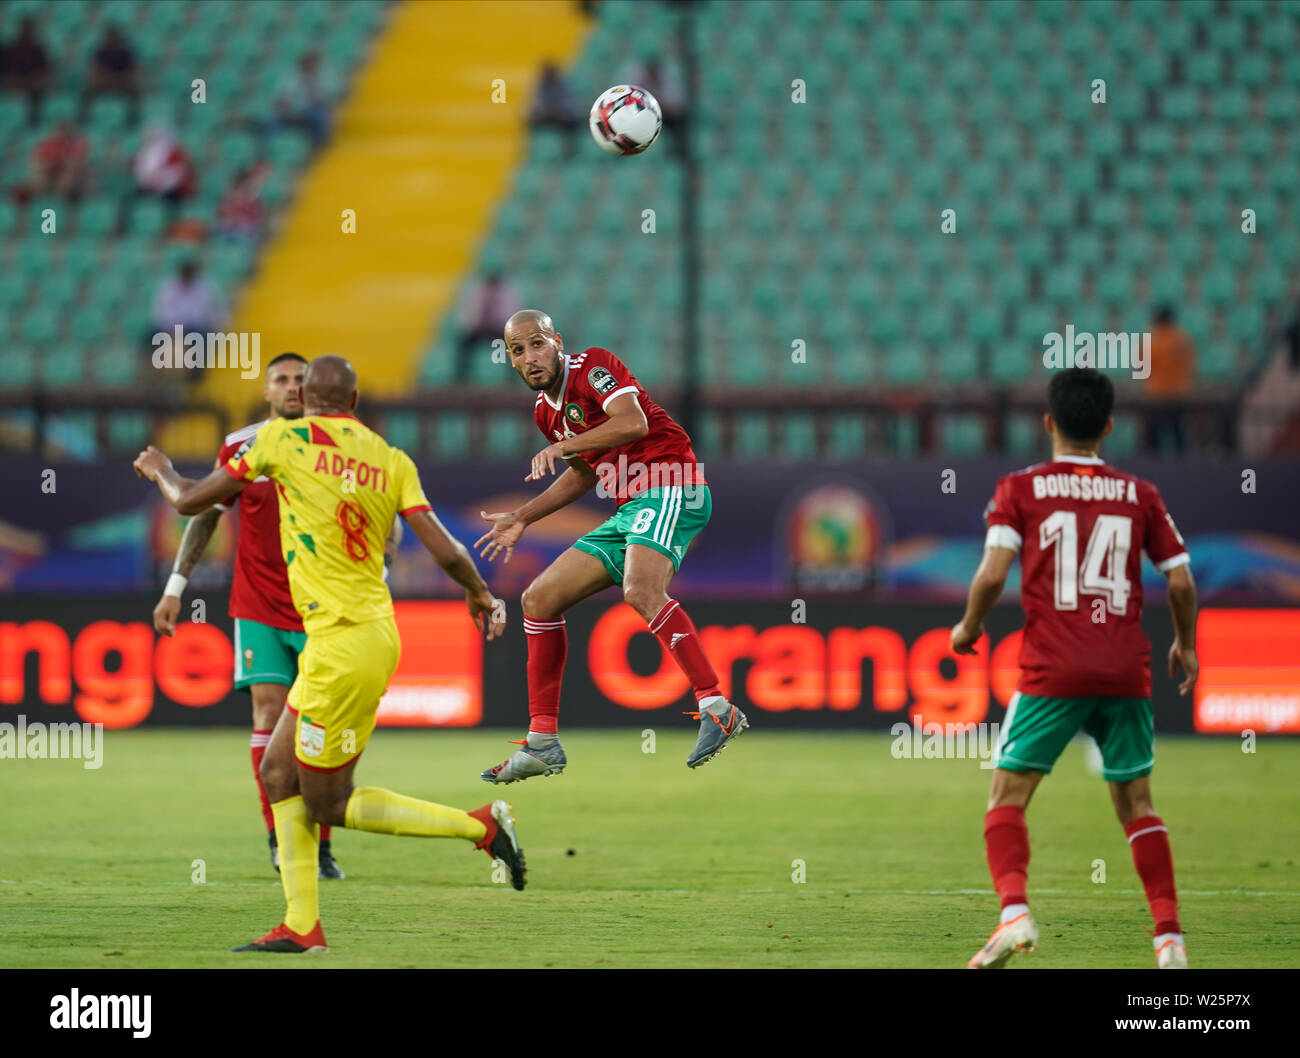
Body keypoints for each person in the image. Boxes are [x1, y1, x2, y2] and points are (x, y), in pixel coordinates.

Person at [133, 355, 522, 953]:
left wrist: (160, 469)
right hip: (368, 634)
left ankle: (479, 826)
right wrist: (479, 593)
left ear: (304, 396)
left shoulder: (279, 439)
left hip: (340, 645)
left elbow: (188, 501)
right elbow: (443, 548)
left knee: (329, 804)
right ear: (356, 400)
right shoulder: (390, 459)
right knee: (278, 771)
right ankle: (301, 925)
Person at [951, 368, 1197, 969]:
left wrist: (969, 627)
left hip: (1053, 670)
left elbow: (991, 572)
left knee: (1007, 795)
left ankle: (1014, 914)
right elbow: (1182, 579)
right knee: (1137, 803)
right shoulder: (1141, 494)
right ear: (1109, 427)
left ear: (1048, 423)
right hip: (1125, 670)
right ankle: (1169, 939)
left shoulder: (1020, 489)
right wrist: (1185, 646)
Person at [475, 309, 748, 781]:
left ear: (557, 342)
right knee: (539, 599)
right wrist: (522, 517)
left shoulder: (592, 366)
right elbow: (584, 473)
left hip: (670, 481)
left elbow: (633, 422)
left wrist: (563, 446)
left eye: (537, 343)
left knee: (641, 590)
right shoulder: (546, 412)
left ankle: (716, 706)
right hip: (630, 506)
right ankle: (542, 743)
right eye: (517, 351)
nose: (529, 357)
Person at [152, 353, 373, 879]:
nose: (293, 387)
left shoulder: (345, 443)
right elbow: (204, 515)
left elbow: (378, 512)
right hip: (259, 607)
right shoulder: (241, 446)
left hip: (325, 610)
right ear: (267, 391)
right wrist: (175, 587)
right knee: (268, 718)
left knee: (320, 729)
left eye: (301, 379)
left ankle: (319, 843)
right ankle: (281, 837)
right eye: (282, 380)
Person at [1144, 305, 1196, 454]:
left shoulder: (1154, 341)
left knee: (1154, 438)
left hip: (1157, 395)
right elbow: (1190, 366)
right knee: (1178, 433)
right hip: (1179, 394)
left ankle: (1154, 467)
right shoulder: (1183, 340)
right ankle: (1184, 465)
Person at [456, 273, 520, 381]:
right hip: (480, 330)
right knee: (463, 344)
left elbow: (510, 316)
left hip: (498, 330)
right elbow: (469, 316)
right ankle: (462, 378)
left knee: (513, 346)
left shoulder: (505, 295)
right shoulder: (478, 294)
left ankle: (511, 378)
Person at [150, 258, 223, 338]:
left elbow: (206, 313)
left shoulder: (203, 288)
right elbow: (163, 312)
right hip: (171, 327)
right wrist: (176, 327)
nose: (187, 277)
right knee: (152, 335)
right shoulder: (170, 287)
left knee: (200, 336)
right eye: (185, 274)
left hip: (195, 328)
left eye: (190, 274)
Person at [133, 121, 196, 203]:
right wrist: (149, 182)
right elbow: (139, 171)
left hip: (169, 191)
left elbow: (178, 172)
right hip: (147, 190)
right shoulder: (145, 151)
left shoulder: (172, 151)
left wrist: (160, 183)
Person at [85, 23, 139, 114]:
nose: (113, 39)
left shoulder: (125, 53)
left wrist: (119, 79)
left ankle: (132, 116)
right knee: (88, 91)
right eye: (111, 37)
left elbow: (131, 71)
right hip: (105, 82)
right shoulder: (101, 52)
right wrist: (108, 79)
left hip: (121, 82)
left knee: (135, 90)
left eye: (115, 37)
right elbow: (96, 70)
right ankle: (86, 116)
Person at [29, 120, 91, 199]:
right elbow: (39, 160)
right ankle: (41, 201)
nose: (62, 134)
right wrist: (48, 165)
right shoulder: (48, 144)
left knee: (67, 176)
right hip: (51, 171)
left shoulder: (76, 144)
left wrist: (61, 163)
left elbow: (76, 163)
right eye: (60, 131)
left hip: (70, 174)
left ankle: (62, 201)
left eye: (65, 131)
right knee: (39, 176)